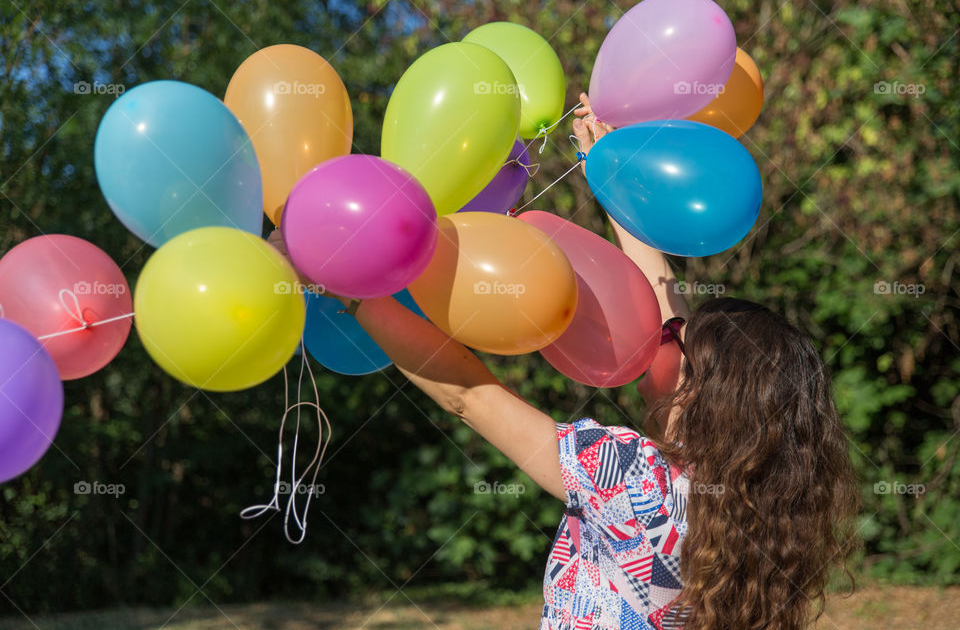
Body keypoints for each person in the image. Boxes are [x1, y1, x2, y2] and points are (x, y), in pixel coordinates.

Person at [267, 93, 859, 630]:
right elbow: (661, 305)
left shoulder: (629, 477)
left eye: (682, 350)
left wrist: (352, 292)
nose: (666, 343)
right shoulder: (761, 527)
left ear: (709, 401)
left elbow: (470, 397)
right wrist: (615, 179)